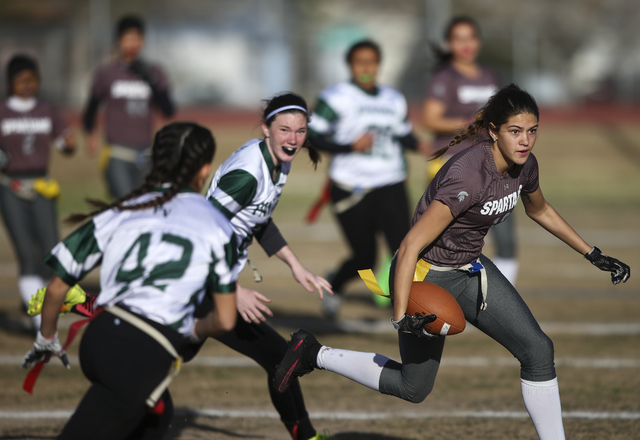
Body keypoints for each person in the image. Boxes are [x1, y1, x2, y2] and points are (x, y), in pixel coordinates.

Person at [275, 84, 631, 440]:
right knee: (414, 388)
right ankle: (313, 353)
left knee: (538, 350)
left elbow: (539, 209)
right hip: (426, 275)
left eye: (532, 131)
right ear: (493, 131)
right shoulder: (468, 175)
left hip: (471, 269)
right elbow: (411, 244)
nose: (525, 141)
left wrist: (592, 253)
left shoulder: (525, 166)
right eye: (515, 131)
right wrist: (401, 318)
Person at [21, 122, 239, 440]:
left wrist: (47, 337)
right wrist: (195, 329)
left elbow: (57, 287)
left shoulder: (123, 209)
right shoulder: (218, 225)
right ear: (204, 169)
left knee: (157, 416)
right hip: (140, 352)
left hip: (99, 339)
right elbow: (225, 318)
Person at [204, 92, 331, 440]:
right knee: (281, 359)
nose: (292, 139)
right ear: (266, 128)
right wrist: (233, 291)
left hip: (213, 280)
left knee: (279, 360)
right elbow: (202, 230)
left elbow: (257, 219)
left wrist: (295, 265)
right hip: (203, 279)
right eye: (284, 130)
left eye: (300, 131)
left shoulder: (278, 161)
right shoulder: (248, 173)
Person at [308, 39, 426, 318]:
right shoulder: (335, 97)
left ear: (378, 65)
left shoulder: (393, 99)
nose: (366, 67)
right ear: (350, 65)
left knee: (403, 249)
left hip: (391, 184)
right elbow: (311, 138)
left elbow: (402, 134)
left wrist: (420, 145)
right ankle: (335, 283)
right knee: (365, 259)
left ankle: (407, 307)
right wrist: (350, 147)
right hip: (350, 187)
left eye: (371, 62)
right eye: (359, 61)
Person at [423, 16, 519, 284]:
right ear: (449, 43)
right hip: (455, 165)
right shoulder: (445, 77)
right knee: (446, 241)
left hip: (492, 165)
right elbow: (430, 119)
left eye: (471, 38)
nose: (466, 45)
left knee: (506, 236)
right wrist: (470, 124)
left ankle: (502, 297)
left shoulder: (489, 74)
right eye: (458, 39)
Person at [0, 54, 75, 331]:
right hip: (11, 189)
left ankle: (43, 309)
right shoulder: (3, 112)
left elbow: (66, 144)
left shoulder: (47, 110)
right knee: (26, 255)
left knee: (50, 254)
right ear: (10, 83)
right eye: (21, 80)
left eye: (32, 79)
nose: (28, 85)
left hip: (42, 187)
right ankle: (39, 322)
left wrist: (68, 143)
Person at [83, 15, 175, 199]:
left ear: (142, 41)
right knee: (127, 205)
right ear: (118, 41)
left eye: (136, 39)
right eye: (127, 39)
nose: (132, 44)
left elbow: (168, 110)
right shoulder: (107, 73)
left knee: (147, 206)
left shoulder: (154, 71)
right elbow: (91, 108)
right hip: (117, 153)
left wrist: (151, 81)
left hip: (146, 154)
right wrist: (90, 133)